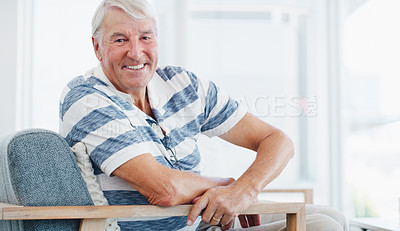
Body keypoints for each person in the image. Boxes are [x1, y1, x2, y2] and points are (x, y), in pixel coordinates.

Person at [59, 0, 348, 230]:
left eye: (145, 37)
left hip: (207, 220)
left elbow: (277, 140)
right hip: (176, 225)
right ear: (97, 47)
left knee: (332, 215)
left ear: (156, 41)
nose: (136, 52)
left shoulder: (182, 84)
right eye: (119, 40)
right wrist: (231, 190)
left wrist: (244, 191)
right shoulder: (86, 98)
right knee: (324, 226)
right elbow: (165, 189)